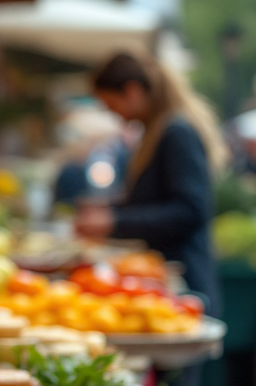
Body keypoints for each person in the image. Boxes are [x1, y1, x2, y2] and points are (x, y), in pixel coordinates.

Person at [74, 51, 226, 318]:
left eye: (111, 104)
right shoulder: (160, 132)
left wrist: (114, 221)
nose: (113, 114)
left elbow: (189, 210)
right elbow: (156, 200)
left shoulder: (176, 133)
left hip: (183, 285)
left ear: (132, 91)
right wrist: (110, 209)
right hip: (170, 284)